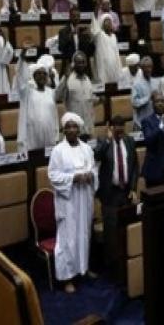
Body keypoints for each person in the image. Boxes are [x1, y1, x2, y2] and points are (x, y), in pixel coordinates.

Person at [48, 113, 97, 294]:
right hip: (68, 201)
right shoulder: (58, 151)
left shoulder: (87, 149)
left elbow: (93, 169)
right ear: (63, 130)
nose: (71, 129)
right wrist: (74, 178)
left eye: (74, 126)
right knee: (68, 239)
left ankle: (83, 268)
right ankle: (67, 277)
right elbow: (53, 175)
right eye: (67, 127)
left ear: (79, 129)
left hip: (84, 198)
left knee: (84, 234)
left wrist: (91, 175)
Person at [94, 115, 138, 268]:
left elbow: (134, 167)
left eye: (122, 126)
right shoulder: (103, 141)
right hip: (110, 195)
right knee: (111, 233)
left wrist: (133, 188)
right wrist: (108, 140)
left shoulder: (130, 141)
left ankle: (124, 266)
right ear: (110, 127)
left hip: (126, 194)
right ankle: (111, 267)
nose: (119, 129)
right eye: (116, 126)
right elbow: (96, 156)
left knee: (125, 231)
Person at [14, 52, 59, 151]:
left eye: (44, 74)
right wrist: (22, 58)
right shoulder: (27, 92)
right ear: (33, 76)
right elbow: (21, 78)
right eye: (38, 73)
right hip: (31, 138)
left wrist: (56, 136)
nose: (42, 76)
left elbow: (54, 116)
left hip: (49, 137)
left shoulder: (51, 92)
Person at [56, 52, 96, 137]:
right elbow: (57, 96)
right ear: (73, 64)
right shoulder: (68, 78)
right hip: (73, 128)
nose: (81, 65)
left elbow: (90, 99)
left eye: (83, 62)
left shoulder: (87, 79)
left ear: (86, 64)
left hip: (87, 127)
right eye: (78, 62)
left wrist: (99, 100)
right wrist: (65, 78)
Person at [141, 92, 164, 187]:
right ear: (153, 104)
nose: (160, 104)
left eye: (162, 101)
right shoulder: (147, 121)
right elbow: (148, 140)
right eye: (157, 101)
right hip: (154, 170)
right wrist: (160, 127)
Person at [92, 13, 123, 85]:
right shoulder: (100, 35)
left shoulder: (114, 37)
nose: (109, 23)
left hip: (114, 66)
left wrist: (119, 68)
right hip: (103, 67)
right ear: (102, 24)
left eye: (110, 21)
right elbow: (95, 29)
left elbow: (117, 54)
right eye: (106, 21)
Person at [131, 56, 155, 126]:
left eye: (150, 67)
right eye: (146, 67)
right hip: (142, 122)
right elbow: (134, 103)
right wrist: (148, 98)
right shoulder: (136, 84)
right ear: (142, 68)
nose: (148, 69)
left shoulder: (155, 82)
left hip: (154, 121)